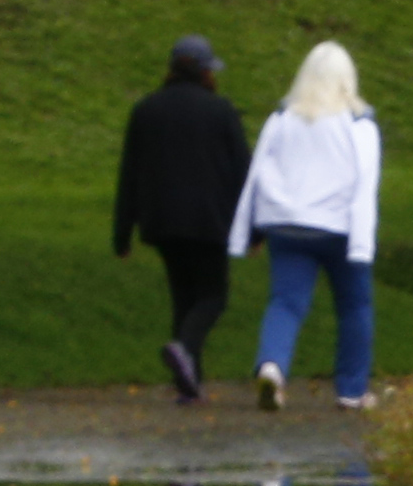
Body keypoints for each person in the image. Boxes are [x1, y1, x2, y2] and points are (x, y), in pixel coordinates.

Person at [233, 39, 385, 414]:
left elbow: (258, 174)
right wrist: (363, 244)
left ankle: (272, 366)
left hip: (286, 224)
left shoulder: (282, 120)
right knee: (354, 306)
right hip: (338, 228)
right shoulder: (358, 125)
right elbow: (365, 186)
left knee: (285, 302)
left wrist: (253, 227)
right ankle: (351, 391)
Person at [112, 36, 248, 408]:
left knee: (183, 298)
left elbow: (130, 173)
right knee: (213, 297)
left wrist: (122, 232)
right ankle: (185, 351)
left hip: (162, 221)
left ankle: (188, 383)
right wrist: (254, 227)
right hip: (209, 220)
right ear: (205, 72)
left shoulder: (146, 110)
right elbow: (242, 173)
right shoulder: (221, 111)